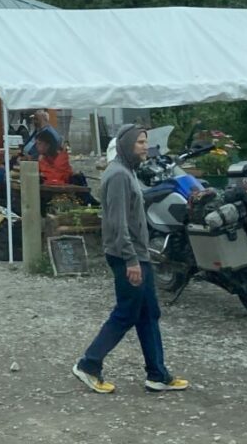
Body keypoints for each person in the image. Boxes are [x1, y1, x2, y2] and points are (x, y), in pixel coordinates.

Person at [72, 123, 190, 395]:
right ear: (125, 145)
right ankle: (88, 365)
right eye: (139, 142)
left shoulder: (126, 173)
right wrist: (131, 261)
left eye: (145, 141)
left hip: (138, 255)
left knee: (149, 314)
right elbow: (117, 223)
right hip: (128, 256)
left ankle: (157, 375)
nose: (144, 147)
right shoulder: (118, 176)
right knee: (126, 313)